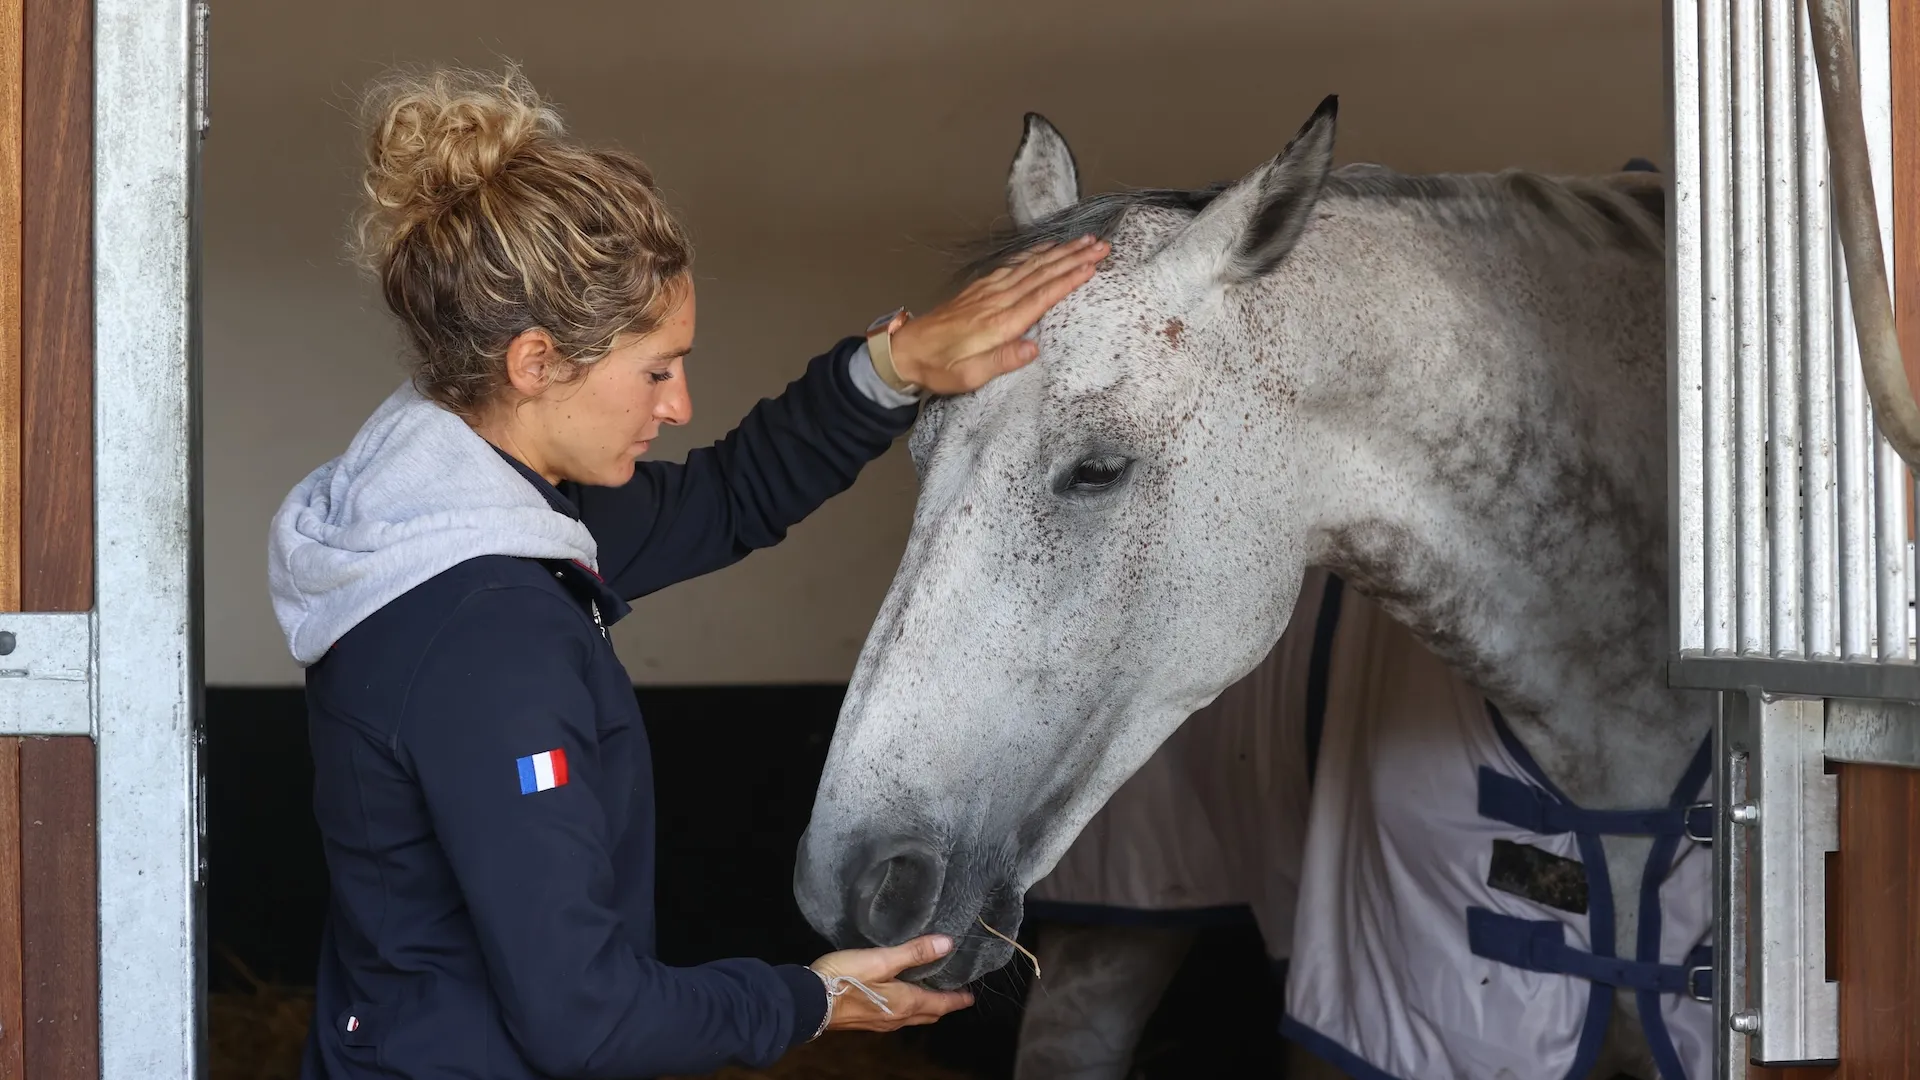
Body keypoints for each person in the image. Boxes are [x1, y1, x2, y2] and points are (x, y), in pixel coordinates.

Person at [267, 65, 1108, 1080]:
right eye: (657, 370)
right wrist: (810, 1000)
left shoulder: (449, 501)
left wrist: (898, 367)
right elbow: (587, 1018)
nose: (678, 406)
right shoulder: (488, 636)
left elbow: (726, 498)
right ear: (535, 363)